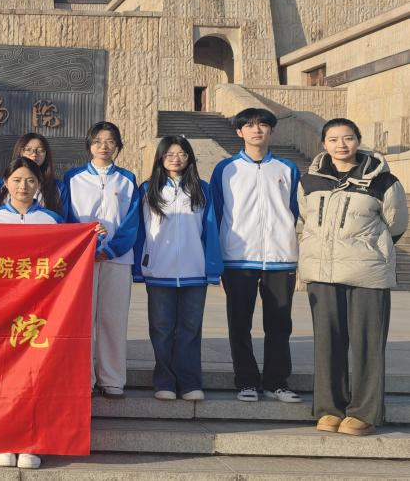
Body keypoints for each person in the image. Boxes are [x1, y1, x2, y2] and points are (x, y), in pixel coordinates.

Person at [298, 119, 407, 436]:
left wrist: (367, 249)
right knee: (327, 344)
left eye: (348, 138)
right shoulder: (309, 181)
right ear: (324, 144)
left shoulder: (384, 181)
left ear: (358, 141)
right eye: (333, 139)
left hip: (366, 273)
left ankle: (363, 413)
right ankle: (330, 409)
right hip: (322, 273)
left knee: (367, 344)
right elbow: (305, 217)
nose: (341, 144)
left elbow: (396, 224)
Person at [210, 108, 302, 404]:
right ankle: (246, 381)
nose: (256, 129)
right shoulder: (226, 169)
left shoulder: (287, 168)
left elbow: (295, 209)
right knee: (239, 322)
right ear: (239, 132)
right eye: (249, 125)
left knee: (280, 324)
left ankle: (277, 382)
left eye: (262, 124)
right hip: (238, 258)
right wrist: (217, 255)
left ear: (271, 130)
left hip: (280, 258)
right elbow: (217, 212)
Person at [0, 157, 62, 470]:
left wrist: (96, 234)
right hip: (0, 312)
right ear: (5, 183)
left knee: (34, 379)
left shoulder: (52, 221)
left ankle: (31, 442)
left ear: (39, 184)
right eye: (16, 180)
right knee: (0, 378)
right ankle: (1, 440)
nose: (23, 186)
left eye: (30, 180)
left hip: (40, 313)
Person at [132, 137, 222, 402]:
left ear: (190, 157)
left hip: (194, 270)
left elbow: (211, 228)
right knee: (161, 328)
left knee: (190, 329)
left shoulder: (202, 188)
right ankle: (165, 382)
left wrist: (212, 267)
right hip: (159, 270)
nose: (176, 158)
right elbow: (140, 230)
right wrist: (139, 265)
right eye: (169, 154)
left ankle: (190, 382)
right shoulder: (147, 189)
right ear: (160, 158)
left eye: (182, 154)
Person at [63, 121, 137, 399]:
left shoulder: (127, 179)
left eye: (110, 141)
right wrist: (89, 247)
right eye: (97, 141)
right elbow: (68, 218)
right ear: (89, 144)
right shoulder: (73, 178)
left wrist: (112, 249)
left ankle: (113, 379)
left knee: (113, 320)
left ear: (117, 145)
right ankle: (84, 378)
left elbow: (132, 222)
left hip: (118, 259)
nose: (103, 147)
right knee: (82, 320)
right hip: (82, 260)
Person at [0, 133, 69, 219]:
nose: (34, 154)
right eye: (28, 150)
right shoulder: (0, 184)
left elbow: (62, 221)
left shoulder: (58, 187)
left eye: (40, 150)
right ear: (20, 152)